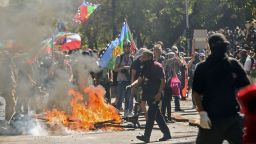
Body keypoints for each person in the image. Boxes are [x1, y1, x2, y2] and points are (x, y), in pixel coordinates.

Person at [192, 33, 250, 144]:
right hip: (212, 120)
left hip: (231, 118)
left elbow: (246, 88)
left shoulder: (232, 64)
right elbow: (196, 93)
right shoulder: (203, 67)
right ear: (212, 48)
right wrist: (202, 113)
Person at [127, 49, 171, 143]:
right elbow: (139, 79)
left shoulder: (157, 66)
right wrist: (131, 85)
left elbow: (163, 80)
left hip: (156, 95)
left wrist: (159, 93)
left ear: (149, 57)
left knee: (151, 116)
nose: (141, 58)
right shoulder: (145, 67)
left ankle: (146, 137)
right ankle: (167, 134)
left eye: (143, 56)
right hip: (148, 94)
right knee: (157, 116)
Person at [114, 41, 134, 117]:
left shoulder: (132, 57)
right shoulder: (119, 57)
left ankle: (126, 114)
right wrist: (123, 67)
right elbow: (115, 69)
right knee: (120, 98)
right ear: (124, 48)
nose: (128, 48)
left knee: (128, 98)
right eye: (126, 47)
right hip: (121, 81)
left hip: (129, 80)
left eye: (129, 47)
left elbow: (134, 70)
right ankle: (117, 114)